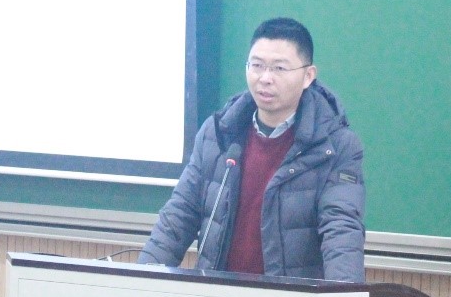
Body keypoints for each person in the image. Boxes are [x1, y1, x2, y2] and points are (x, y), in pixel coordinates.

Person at [138, 17, 365, 282]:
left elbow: (341, 229)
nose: (265, 78)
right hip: (217, 294)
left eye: (279, 68)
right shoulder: (219, 133)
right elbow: (179, 215)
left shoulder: (335, 146)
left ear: (308, 76)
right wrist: (140, 280)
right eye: (257, 66)